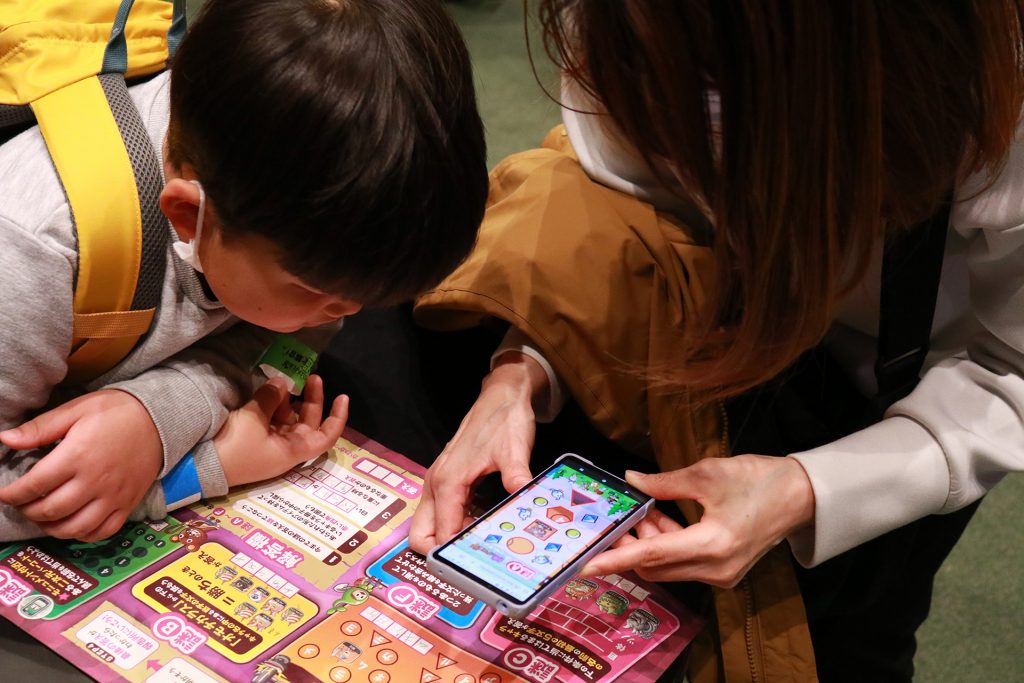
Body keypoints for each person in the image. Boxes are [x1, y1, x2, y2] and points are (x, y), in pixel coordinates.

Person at [408, 1, 1024, 680]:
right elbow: (619, 203)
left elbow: (1009, 371)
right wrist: (520, 367)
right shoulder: (628, 26)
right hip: (704, 341)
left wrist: (811, 489)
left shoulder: (997, 113)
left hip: (907, 398)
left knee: (851, 638)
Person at [0, 0, 486, 543]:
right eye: (318, 292)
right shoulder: (34, 247)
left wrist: (162, 413)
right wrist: (201, 470)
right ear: (189, 215)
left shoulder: (288, 223)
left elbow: (295, 338)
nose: (344, 314)